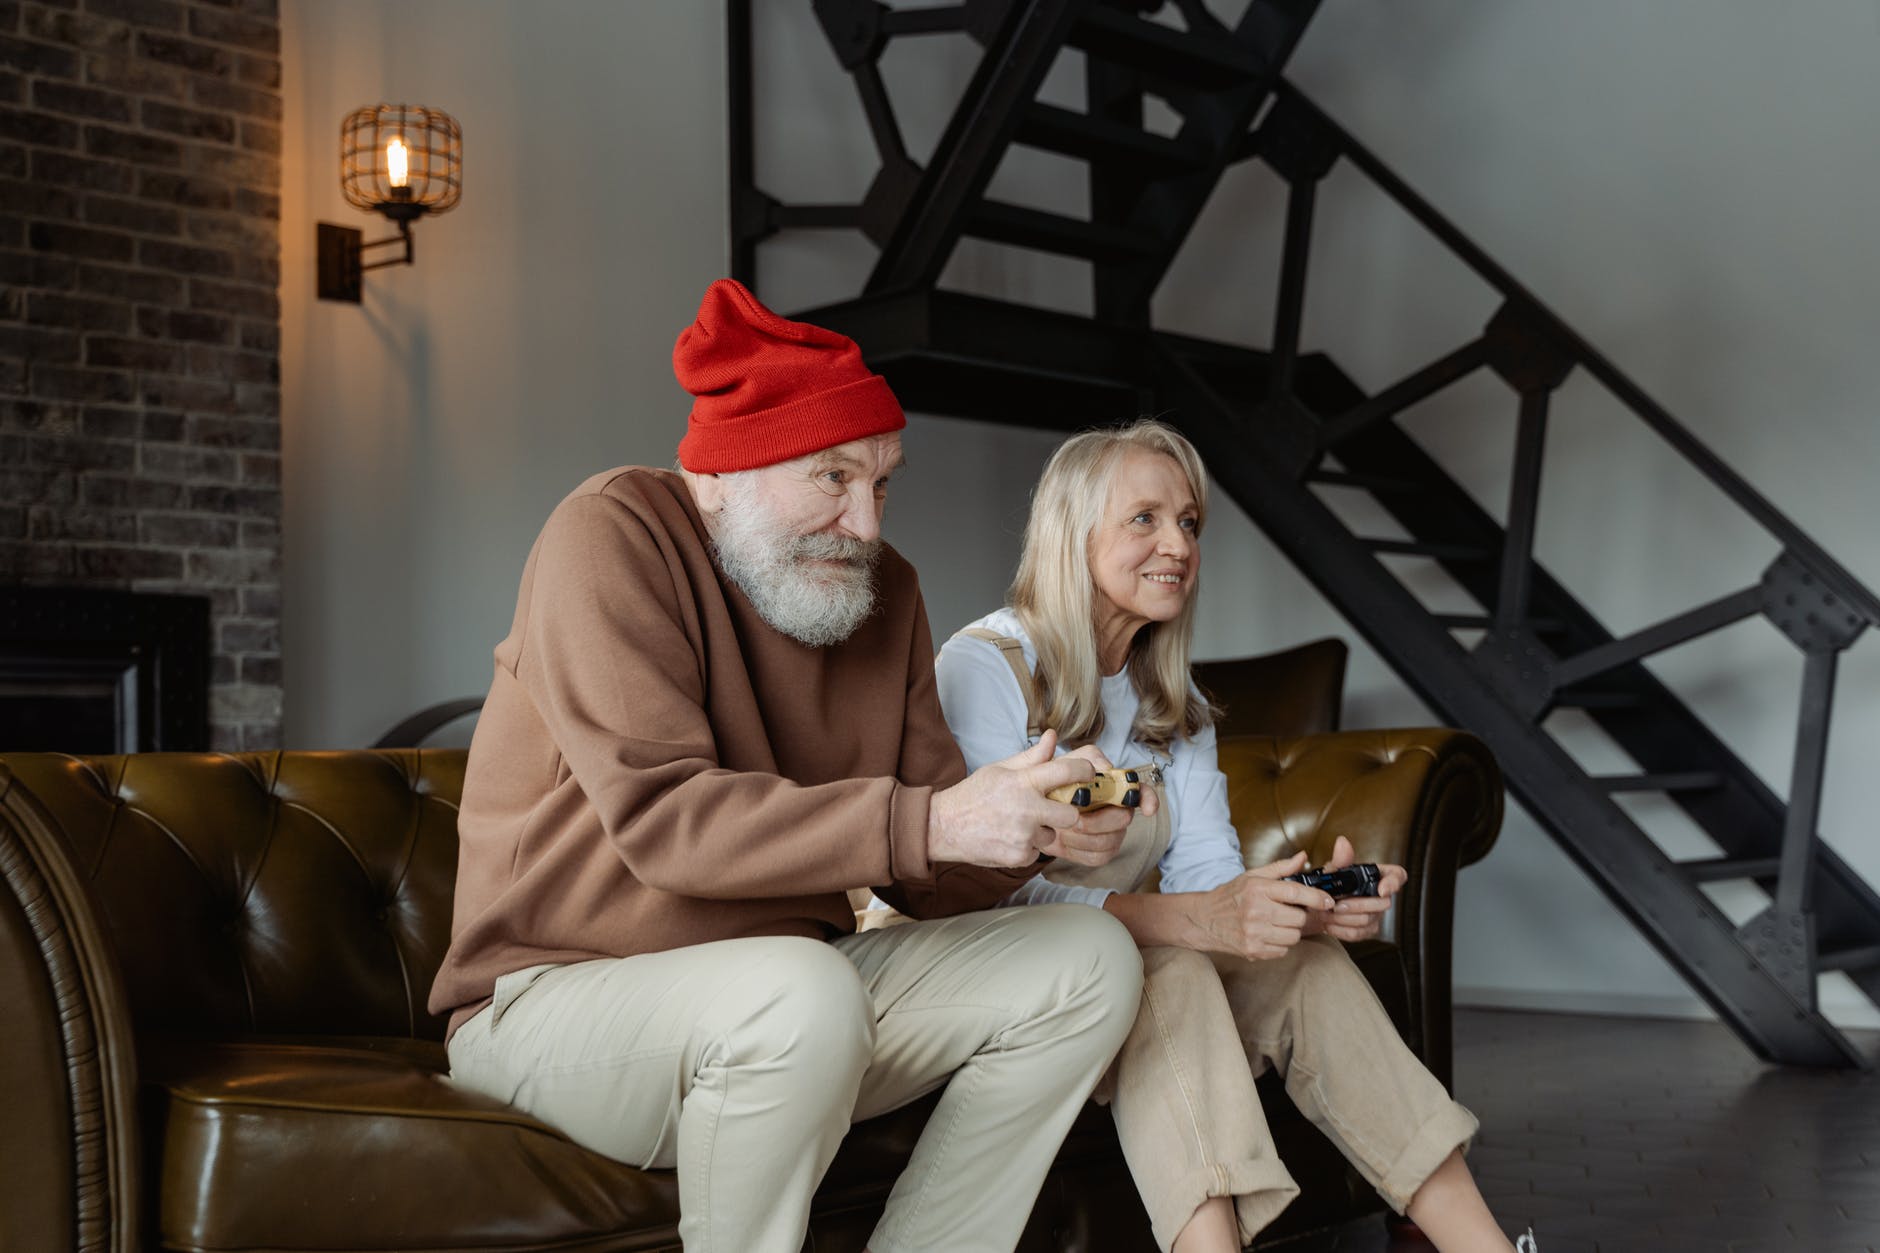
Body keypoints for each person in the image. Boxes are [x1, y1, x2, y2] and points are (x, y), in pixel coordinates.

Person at [429, 278, 1146, 1253]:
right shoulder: (610, 532)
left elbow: (934, 867)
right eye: (830, 477)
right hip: (553, 1007)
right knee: (800, 991)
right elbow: (667, 822)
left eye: (880, 482)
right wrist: (936, 822)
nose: (865, 522)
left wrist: (1037, 826)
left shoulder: (883, 592)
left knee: (1090, 962)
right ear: (720, 475)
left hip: (792, 995)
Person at [933, 419, 1535, 1253]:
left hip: (1128, 956)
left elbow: (1207, 872)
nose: (1176, 542)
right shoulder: (985, 666)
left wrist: (1294, 910)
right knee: (1172, 971)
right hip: (1013, 970)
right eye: (1144, 517)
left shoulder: (1169, 701)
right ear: (1074, 531)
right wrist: (1205, 920)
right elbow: (1005, 891)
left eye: (1188, 522)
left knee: (1308, 966)